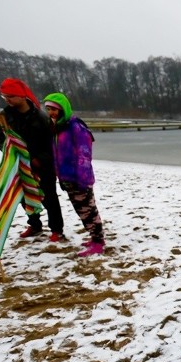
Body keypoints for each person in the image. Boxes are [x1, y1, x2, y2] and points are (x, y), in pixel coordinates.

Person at [0, 77, 65, 241]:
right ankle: (35, 225)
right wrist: (9, 153)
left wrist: (39, 159)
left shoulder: (41, 117)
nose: (7, 100)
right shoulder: (5, 116)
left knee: (49, 198)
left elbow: (52, 144)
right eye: (4, 97)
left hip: (42, 166)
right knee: (24, 197)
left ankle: (56, 229)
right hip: (18, 165)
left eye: (10, 96)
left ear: (21, 96)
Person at [42, 93, 105, 256]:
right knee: (81, 210)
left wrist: (82, 179)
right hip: (66, 177)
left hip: (79, 179)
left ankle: (98, 242)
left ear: (63, 109)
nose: (51, 113)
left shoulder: (75, 127)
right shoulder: (56, 126)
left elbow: (84, 154)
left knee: (89, 210)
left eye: (54, 109)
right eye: (48, 109)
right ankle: (94, 237)